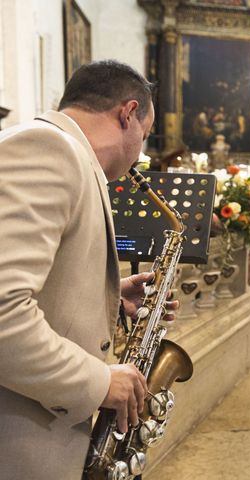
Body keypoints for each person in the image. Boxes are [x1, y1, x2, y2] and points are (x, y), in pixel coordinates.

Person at [0, 60, 177, 479]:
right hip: (20, 440)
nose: (142, 152)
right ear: (127, 114)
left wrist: (111, 300)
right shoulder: (50, 148)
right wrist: (97, 383)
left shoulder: (65, 153)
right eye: (145, 136)